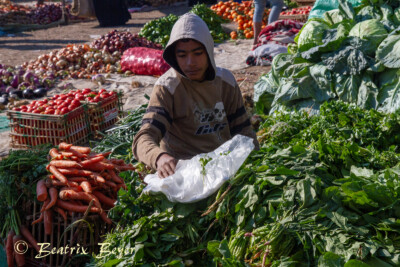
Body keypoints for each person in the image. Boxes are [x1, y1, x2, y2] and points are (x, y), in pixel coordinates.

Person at [132, 13, 259, 178]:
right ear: (174, 56)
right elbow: (144, 137)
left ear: (208, 51)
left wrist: (256, 161)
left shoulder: (226, 82)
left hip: (223, 168)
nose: (190, 62)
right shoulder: (168, 88)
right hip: (183, 174)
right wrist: (159, 157)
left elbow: (243, 130)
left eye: (198, 53)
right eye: (182, 55)